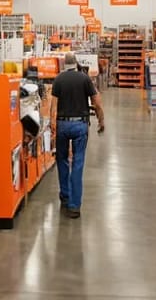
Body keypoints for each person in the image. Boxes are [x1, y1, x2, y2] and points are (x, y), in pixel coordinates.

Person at [51, 53, 104, 219]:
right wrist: (101, 121)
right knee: (78, 163)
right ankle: (74, 207)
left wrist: (53, 127)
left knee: (62, 160)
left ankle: (65, 195)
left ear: (64, 65)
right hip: (80, 125)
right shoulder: (84, 79)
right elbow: (97, 103)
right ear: (76, 64)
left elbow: (53, 107)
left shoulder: (58, 80)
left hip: (62, 124)